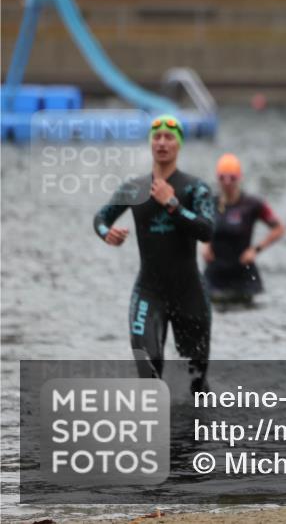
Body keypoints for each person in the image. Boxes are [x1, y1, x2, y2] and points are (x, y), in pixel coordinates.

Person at [93, 115, 215, 393]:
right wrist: (105, 233)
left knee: (197, 384)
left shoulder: (196, 188)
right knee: (148, 375)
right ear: (151, 143)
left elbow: (206, 231)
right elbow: (101, 217)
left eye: (169, 137)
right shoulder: (134, 188)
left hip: (190, 295)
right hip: (149, 293)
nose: (162, 142)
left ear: (178, 144)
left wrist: (171, 204)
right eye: (157, 137)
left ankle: (201, 435)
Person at [202, 153, 285, 304]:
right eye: (222, 177)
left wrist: (255, 250)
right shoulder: (209, 203)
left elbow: (279, 229)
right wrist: (206, 245)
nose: (227, 182)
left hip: (243, 273)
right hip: (215, 273)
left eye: (232, 178)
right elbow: (200, 226)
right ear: (217, 178)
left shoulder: (252, 204)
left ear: (239, 178)